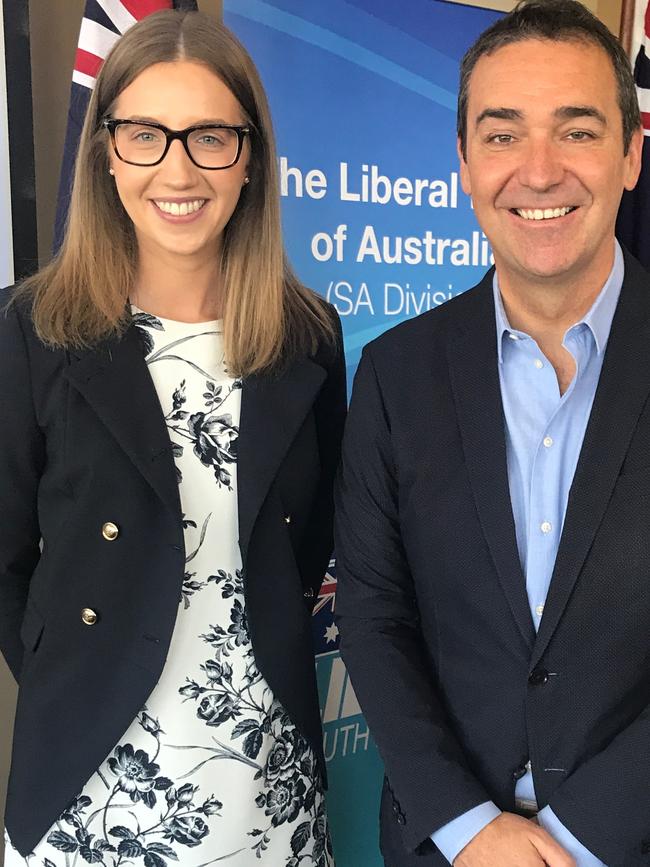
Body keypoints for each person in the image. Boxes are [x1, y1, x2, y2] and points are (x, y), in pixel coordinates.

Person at [0, 11, 345, 865]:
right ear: (106, 149)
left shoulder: (308, 335)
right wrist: (74, 667)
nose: (178, 169)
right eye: (146, 134)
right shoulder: (31, 328)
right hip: (93, 789)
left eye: (211, 138)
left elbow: (313, 548)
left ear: (252, 155)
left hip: (266, 782)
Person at [335, 1, 649, 864]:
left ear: (630, 153)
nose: (538, 172)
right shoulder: (396, 373)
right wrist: (472, 827)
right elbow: (373, 614)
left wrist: (581, 834)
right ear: (465, 163)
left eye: (577, 131)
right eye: (503, 135)